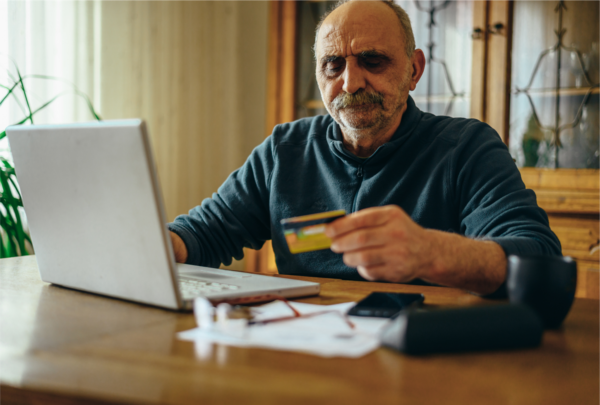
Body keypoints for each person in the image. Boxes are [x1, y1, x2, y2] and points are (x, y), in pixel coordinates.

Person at [168, 0, 561, 296]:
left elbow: (538, 256)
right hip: (303, 351)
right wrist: (157, 245)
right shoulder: (284, 151)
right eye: (333, 65)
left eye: (372, 61)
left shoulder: (466, 148)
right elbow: (204, 232)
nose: (351, 83)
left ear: (414, 70)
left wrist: (430, 252)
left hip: (423, 357)